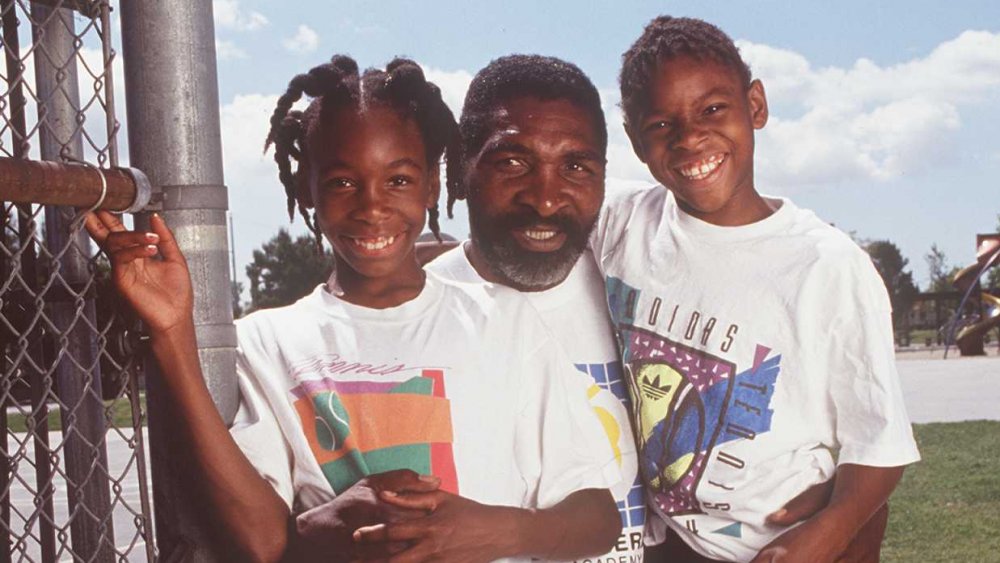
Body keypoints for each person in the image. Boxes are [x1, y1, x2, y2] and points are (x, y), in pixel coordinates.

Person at [86, 56, 622, 562]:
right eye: (343, 181)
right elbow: (261, 543)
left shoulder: (505, 318)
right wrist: (172, 333)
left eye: (399, 180)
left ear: (432, 186)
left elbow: (598, 518)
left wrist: (488, 530)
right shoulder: (269, 343)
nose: (372, 207)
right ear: (307, 187)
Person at [590, 16, 921, 562]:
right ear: (635, 141)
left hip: (788, 543)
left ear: (757, 106)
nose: (691, 137)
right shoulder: (623, 222)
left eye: (713, 110)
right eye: (661, 125)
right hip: (675, 543)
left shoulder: (827, 266)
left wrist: (830, 530)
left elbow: (878, 446)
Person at [426, 54, 646, 562]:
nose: (546, 200)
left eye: (575, 166)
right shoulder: (419, 314)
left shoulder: (633, 290)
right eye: (512, 162)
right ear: (459, 172)